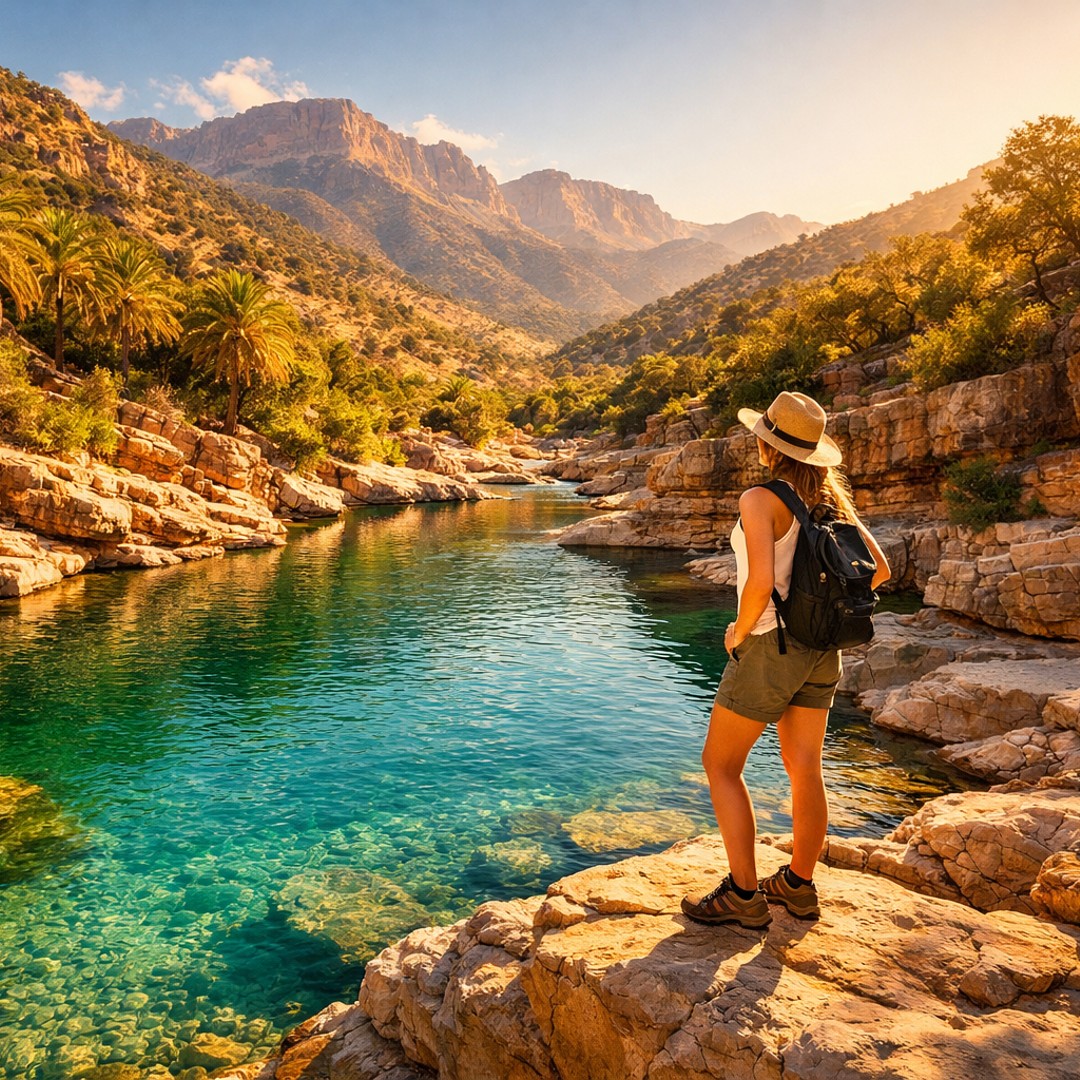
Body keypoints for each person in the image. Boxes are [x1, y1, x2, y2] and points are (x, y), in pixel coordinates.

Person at [681, 391, 891, 929]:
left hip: (771, 648)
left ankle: (744, 896)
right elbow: (881, 571)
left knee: (721, 766)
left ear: (766, 442)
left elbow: (755, 584)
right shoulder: (831, 501)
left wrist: (737, 633)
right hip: (822, 651)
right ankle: (798, 886)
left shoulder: (760, 499)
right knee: (805, 770)